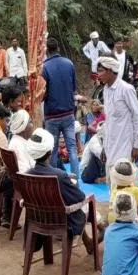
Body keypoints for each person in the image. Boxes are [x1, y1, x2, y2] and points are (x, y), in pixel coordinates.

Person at [25, 128, 91, 250]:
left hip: (38, 220)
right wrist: (72, 184)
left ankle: (89, 243)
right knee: (88, 204)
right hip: (63, 222)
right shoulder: (58, 176)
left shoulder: (27, 175)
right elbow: (80, 197)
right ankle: (93, 241)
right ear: (50, 152)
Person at [98, 56, 138, 174]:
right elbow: (108, 120)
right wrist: (104, 146)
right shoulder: (106, 90)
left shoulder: (126, 89)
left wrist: (136, 145)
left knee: (122, 179)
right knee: (111, 180)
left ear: (109, 71)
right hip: (110, 145)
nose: (98, 74)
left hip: (125, 144)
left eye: (100, 71)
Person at [42, 37, 80, 177]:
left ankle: (54, 181)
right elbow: (74, 88)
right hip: (68, 113)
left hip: (52, 115)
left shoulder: (44, 67)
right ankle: (76, 181)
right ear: (58, 48)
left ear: (46, 50)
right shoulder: (69, 64)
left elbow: (43, 93)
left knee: (52, 149)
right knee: (72, 148)